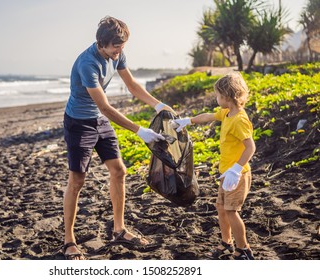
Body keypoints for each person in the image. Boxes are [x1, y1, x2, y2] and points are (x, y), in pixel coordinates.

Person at [62, 16, 174, 260]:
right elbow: (105, 107)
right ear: (101, 43)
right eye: (116, 47)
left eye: (122, 46)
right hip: (79, 123)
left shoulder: (117, 53)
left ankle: (119, 230)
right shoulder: (87, 64)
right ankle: (69, 241)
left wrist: (158, 105)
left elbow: (131, 84)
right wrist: (140, 131)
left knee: (119, 171)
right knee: (77, 181)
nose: (120, 51)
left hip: (99, 121)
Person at [171, 72, 256, 260]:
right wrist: (188, 121)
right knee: (220, 207)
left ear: (226, 96)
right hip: (226, 173)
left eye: (217, 95)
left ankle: (244, 250)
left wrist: (236, 170)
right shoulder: (227, 113)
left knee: (232, 212)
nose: (216, 98)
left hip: (237, 174)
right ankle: (227, 243)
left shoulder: (239, 120)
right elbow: (208, 116)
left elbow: (251, 147)